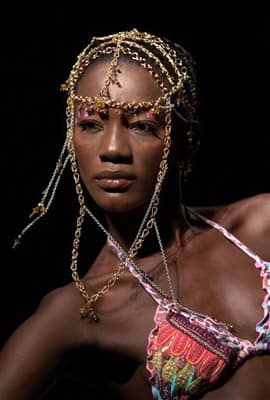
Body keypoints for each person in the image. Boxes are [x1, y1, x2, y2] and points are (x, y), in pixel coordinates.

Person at [1, 27, 269, 400]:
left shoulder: (259, 225)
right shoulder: (84, 311)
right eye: (91, 124)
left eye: (143, 125)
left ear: (184, 140)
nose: (112, 149)